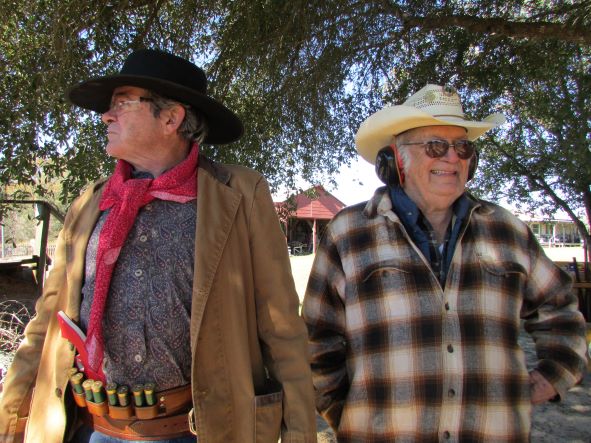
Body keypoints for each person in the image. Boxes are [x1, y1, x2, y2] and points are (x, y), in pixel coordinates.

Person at [0, 49, 316, 443]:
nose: (106, 116)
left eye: (121, 103)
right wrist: (9, 420)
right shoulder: (90, 204)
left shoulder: (238, 195)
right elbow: (46, 323)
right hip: (90, 429)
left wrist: (300, 433)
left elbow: (281, 328)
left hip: (198, 432)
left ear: (171, 118)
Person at [302, 84, 587, 441]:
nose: (453, 157)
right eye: (435, 146)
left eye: (462, 147)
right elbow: (315, 341)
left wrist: (554, 375)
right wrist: (348, 416)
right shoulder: (348, 233)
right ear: (395, 160)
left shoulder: (507, 230)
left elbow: (560, 308)